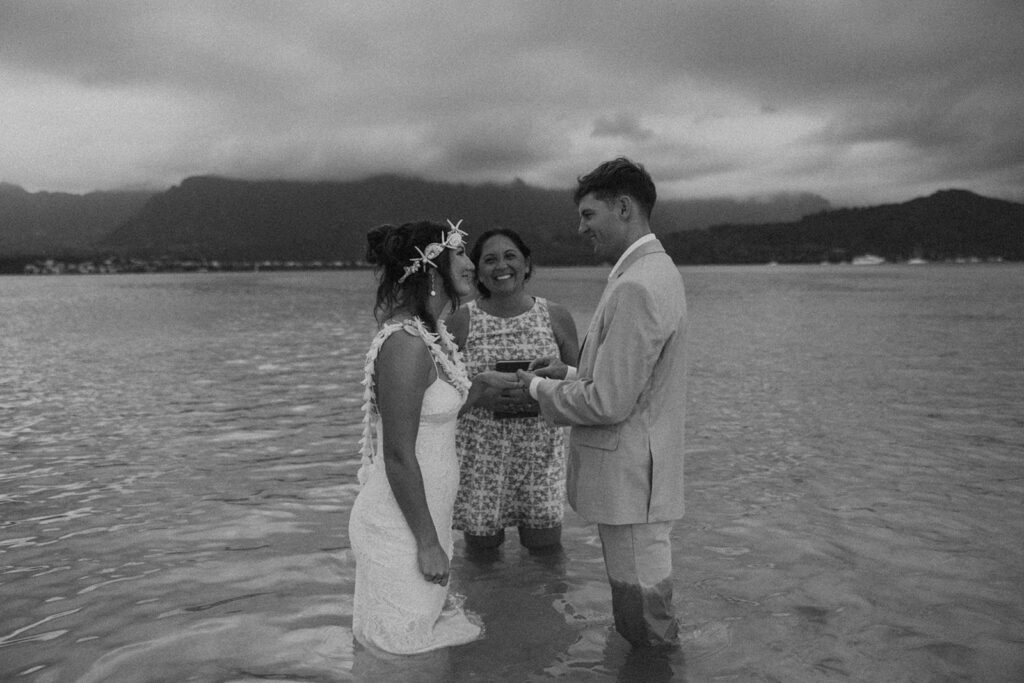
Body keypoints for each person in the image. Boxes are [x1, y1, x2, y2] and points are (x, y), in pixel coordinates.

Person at [517, 158, 688, 649]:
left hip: (632, 485)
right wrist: (571, 375)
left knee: (644, 622)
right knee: (646, 613)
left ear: (624, 207)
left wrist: (536, 389)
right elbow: (638, 385)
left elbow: (609, 403)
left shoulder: (636, 284)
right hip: (642, 480)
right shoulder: (655, 271)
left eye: (589, 215)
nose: (581, 228)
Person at [348, 219, 520, 655]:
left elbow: (432, 418)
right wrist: (427, 543)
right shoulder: (405, 344)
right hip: (400, 527)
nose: (470, 263)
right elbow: (398, 453)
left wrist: (479, 387)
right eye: (458, 252)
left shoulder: (431, 336)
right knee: (403, 657)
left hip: (426, 521)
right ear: (430, 268)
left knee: (417, 656)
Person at [448, 228, 580, 551]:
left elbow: (581, 388)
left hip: (541, 455)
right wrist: (481, 395)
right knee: (481, 560)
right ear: (478, 271)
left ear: (527, 263)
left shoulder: (555, 316)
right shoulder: (461, 321)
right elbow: (439, 399)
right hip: (481, 456)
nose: (501, 266)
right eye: (489, 260)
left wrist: (545, 391)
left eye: (510, 256)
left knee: (546, 557)